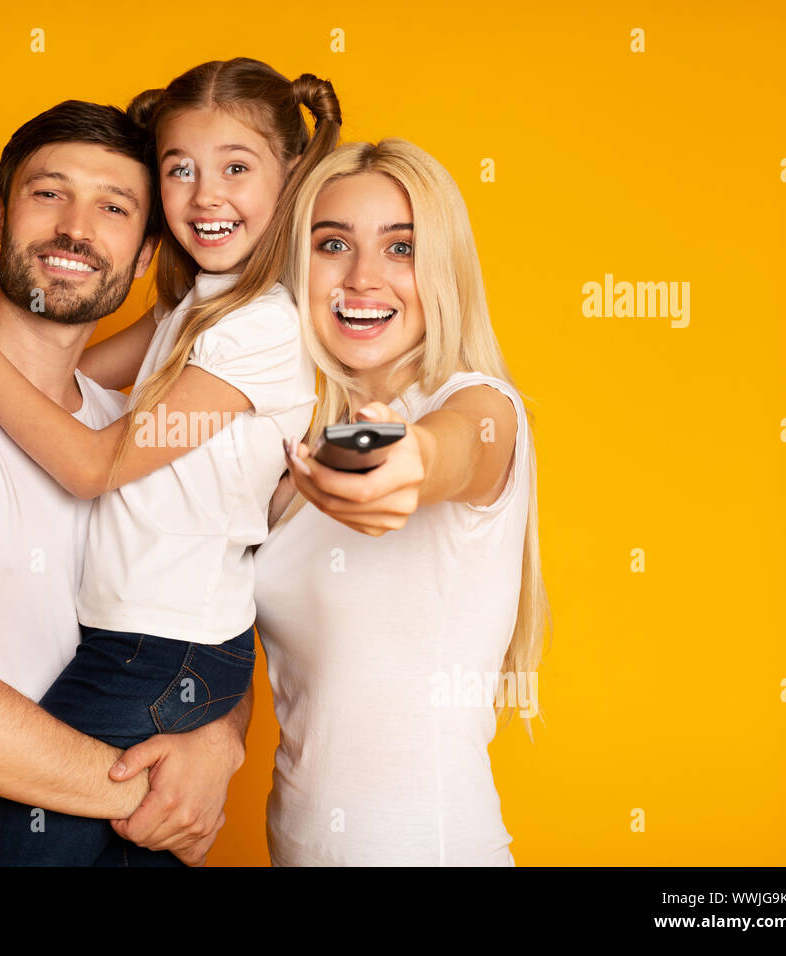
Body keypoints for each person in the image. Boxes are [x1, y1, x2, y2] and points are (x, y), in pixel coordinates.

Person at [0, 58, 341, 865]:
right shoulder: (195, 310)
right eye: (180, 170)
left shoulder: (259, 330)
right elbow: (70, 380)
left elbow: (92, 465)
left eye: (237, 167)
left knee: (25, 843)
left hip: (155, 650)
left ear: (291, 179)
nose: (207, 193)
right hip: (158, 645)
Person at [256, 138, 552, 865]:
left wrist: (407, 457)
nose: (363, 278)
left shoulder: (482, 406)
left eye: (401, 248)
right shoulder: (282, 451)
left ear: (443, 270)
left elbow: (453, 448)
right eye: (334, 244)